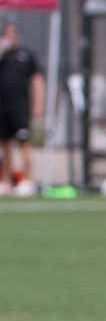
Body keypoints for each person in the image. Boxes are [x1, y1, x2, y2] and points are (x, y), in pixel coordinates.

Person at [0, 23, 44, 196]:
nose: (11, 37)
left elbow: (37, 79)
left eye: (13, 33)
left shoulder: (26, 55)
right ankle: (6, 181)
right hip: (3, 107)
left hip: (21, 107)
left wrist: (38, 104)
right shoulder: (3, 55)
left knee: (24, 143)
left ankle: (26, 180)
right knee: (5, 146)